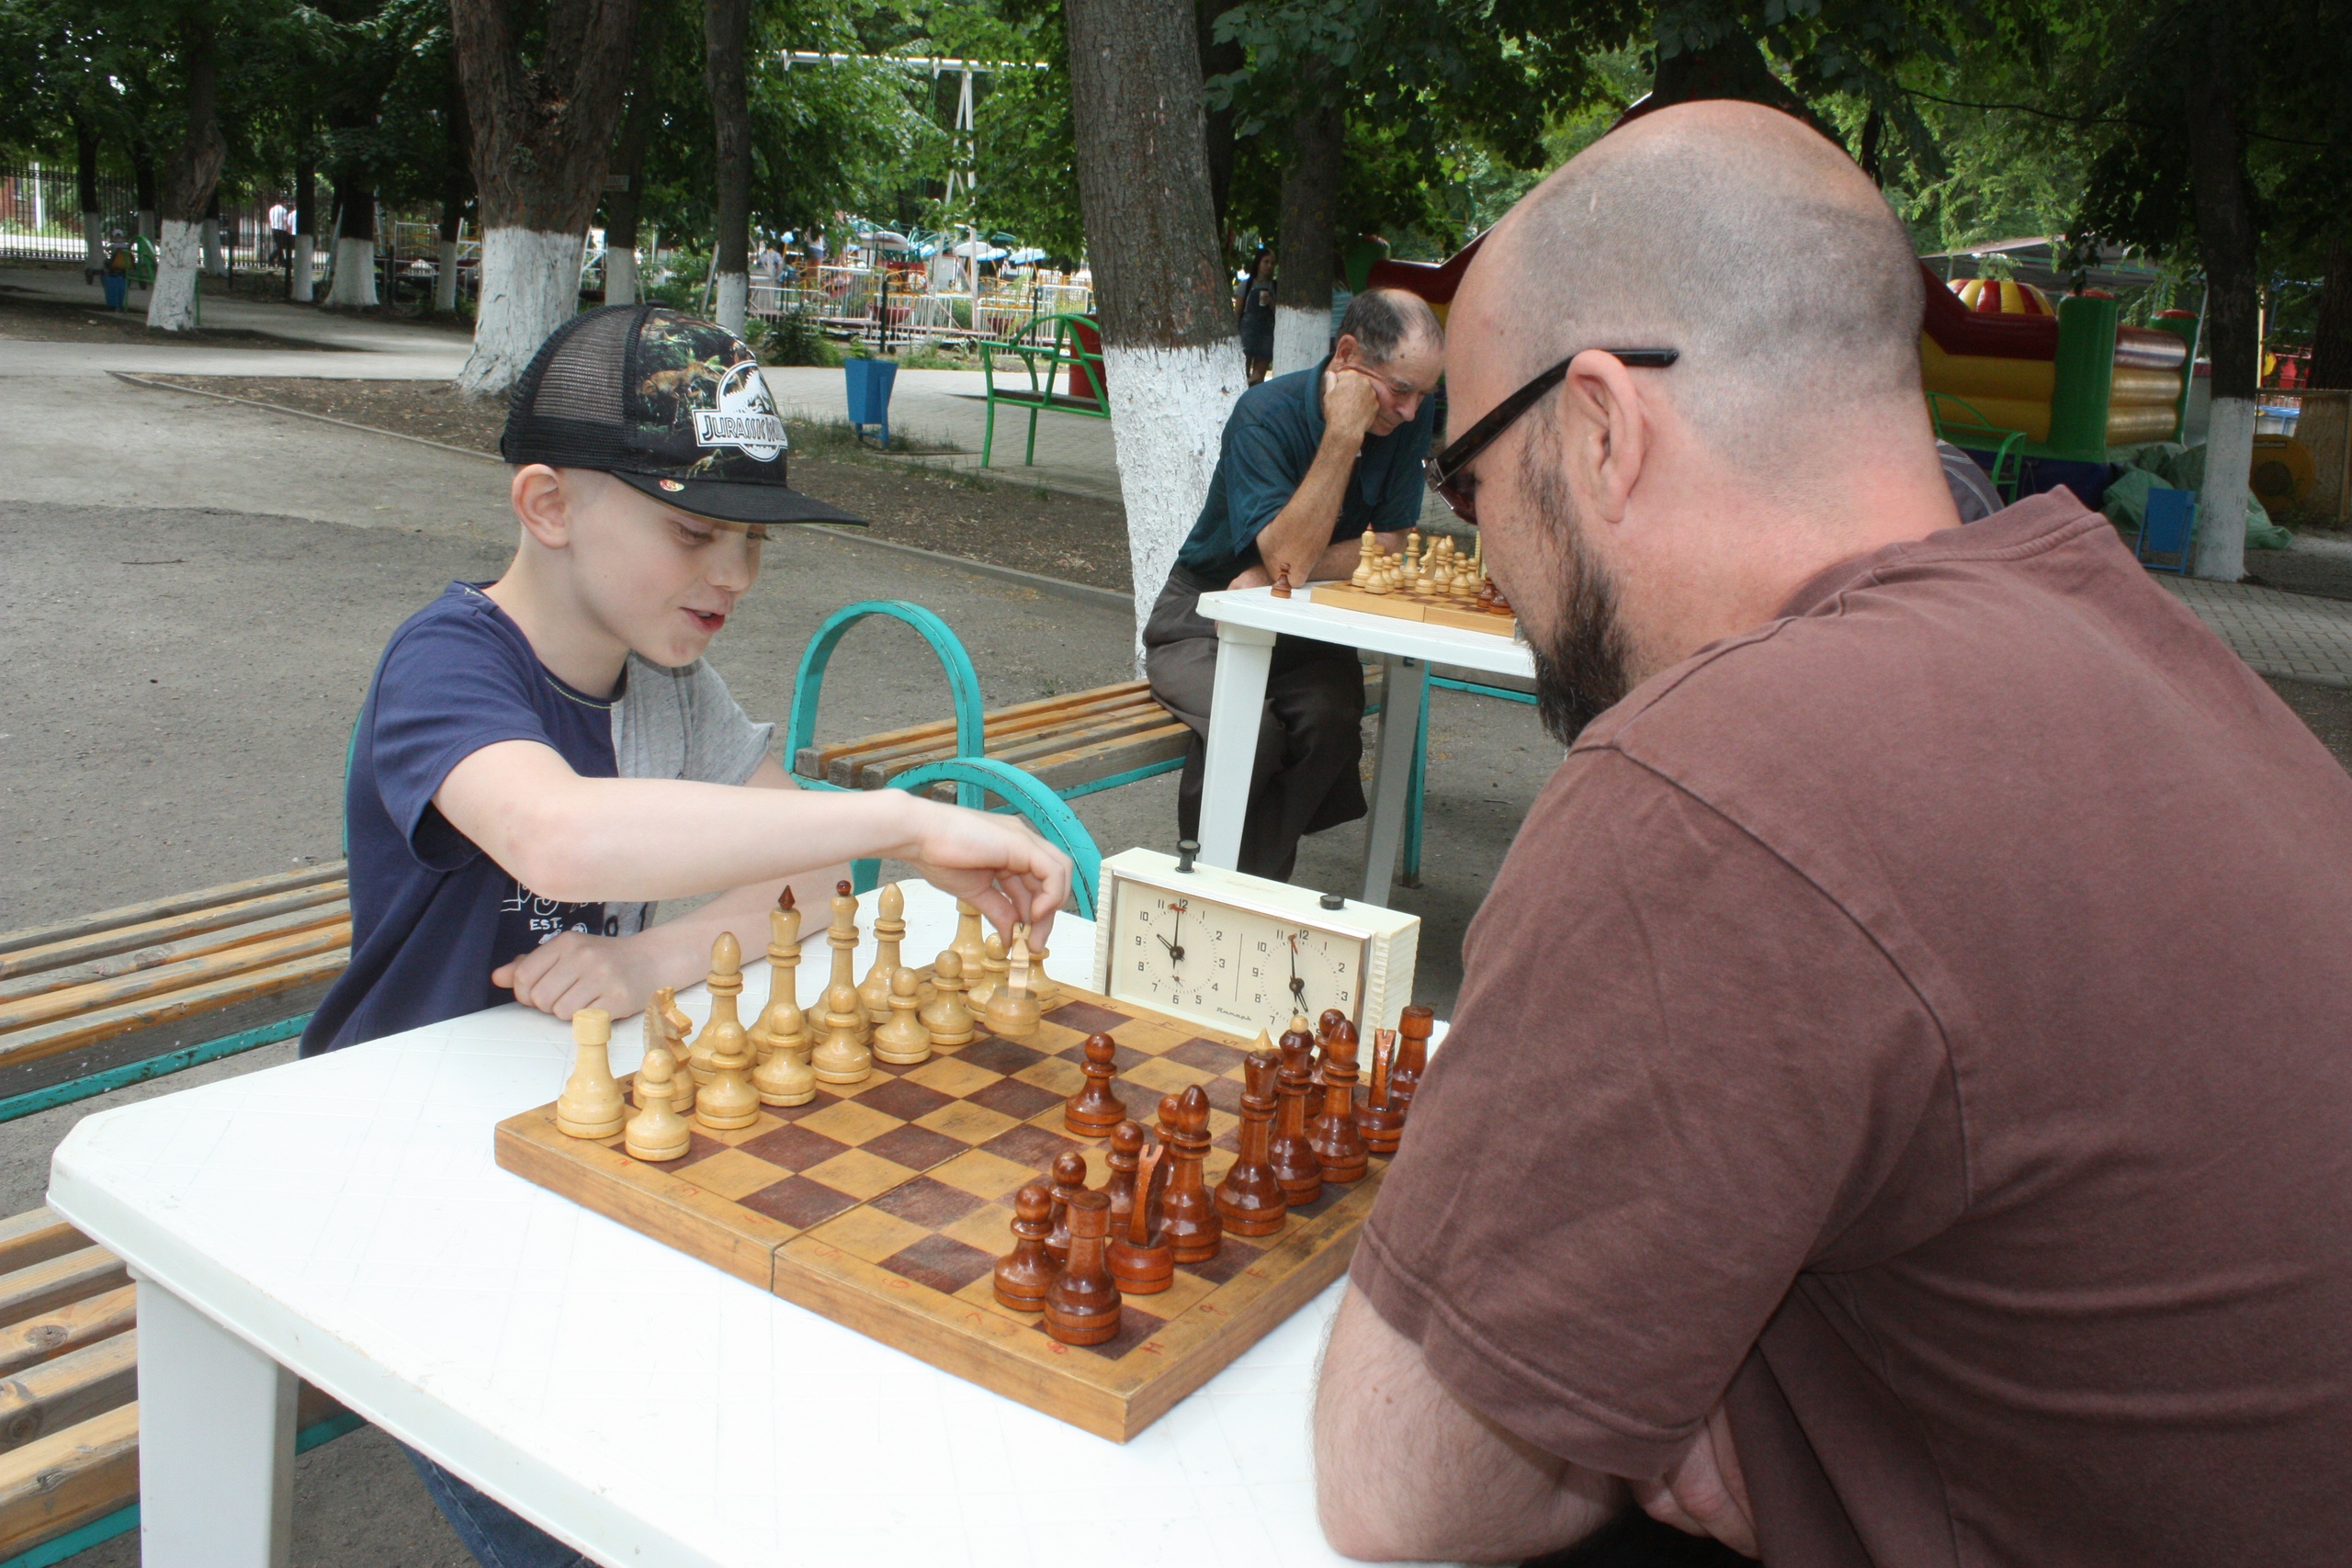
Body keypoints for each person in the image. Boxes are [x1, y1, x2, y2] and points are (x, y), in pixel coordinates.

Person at [1315, 101, 2352, 1565]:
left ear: (1601, 426)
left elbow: (1403, 1487)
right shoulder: (2142, 640)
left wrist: (1694, 1416)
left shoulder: (1715, 780)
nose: (1479, 547)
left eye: (1467, 478)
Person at [306, 304, 1071, 1568]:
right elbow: (555, 834)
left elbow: (815, 867)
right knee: (580, 1512)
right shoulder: (446, 662)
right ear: (547, 504)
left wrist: (649, 960)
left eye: (754, 540)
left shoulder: (671, 681)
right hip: (402, 1158)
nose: (737, 575)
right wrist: (903, 820)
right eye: (694, 530)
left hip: (563, 1116)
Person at [1143, 288, 1443, 880]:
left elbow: (1392, 546)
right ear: (1348, 354)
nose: (1410, 413)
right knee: (1248, 732)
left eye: (1424, 396)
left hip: (1301, 619)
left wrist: (1275, 572)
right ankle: (1207, 888)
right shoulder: (1264, 413)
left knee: (1331, 720)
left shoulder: (1407, 415)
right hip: (1204, 617)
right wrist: (1343, 435)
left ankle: (1248, 886)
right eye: (1398, 390)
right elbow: (1290, 561)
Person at [1238, 247, 1276, 385]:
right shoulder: (1246, 286)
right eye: (1266, 262)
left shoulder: (1276, 287)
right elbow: (1238, 312)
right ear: (1258, 264)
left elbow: (1281, 315)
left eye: (1272, 263)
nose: (1269, 266)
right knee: (1242, 373)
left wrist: (1271, 303)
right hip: (1247, 332)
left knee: (1258, 377)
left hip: (1267, 334)